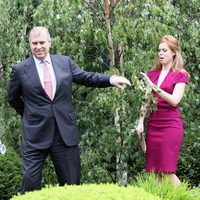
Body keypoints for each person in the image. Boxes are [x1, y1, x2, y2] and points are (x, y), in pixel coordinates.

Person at [8, 26, 131, 194]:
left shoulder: (64, 62)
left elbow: (86, 77)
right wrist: (30, 116)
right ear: (29, 44)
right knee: (29, 185)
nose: (38, 47)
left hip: (64, 134)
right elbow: (12, 99)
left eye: (42, 42)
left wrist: (110, 79)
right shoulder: (20, 69)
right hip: (35, 136)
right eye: (34, 43)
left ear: (50, 42)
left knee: (71, 187)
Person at [136, 35, 189, 186]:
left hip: (171, 126)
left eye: (164, 50)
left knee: (167, 171)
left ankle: (185, 197)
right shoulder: (152, 74)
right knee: (155, 173)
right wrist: (140, 122)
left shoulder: (181, 74)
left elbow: (174, 100)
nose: (160, 53)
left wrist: (154, 87)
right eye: (159, 50)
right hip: (153, 125)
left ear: (174, 52)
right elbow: (146, 100)